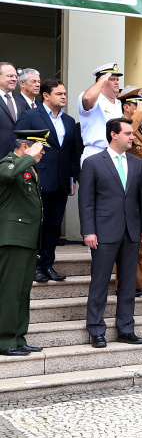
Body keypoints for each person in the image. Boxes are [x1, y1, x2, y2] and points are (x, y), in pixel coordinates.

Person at [79, 118, 142, 348]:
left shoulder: (137, 163)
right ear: (114, 135)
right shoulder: (92, 163)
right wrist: (88, 231)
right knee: (100, 282)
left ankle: (125, 328)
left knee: (129, 283)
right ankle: (96, 329)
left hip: (131, 232)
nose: (133, 137)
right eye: (128, 133)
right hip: (103, 233)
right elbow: (86, 202)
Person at [15, 79, 79, 283]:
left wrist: (72, 178)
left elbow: (72, 152)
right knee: (38, 224)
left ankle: (48, 264)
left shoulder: (69, 121)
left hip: (61, 180)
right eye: (59, 93)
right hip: (38, 178)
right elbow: (19, 146)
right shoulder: (31, 116)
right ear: (46, 96)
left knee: (54, 224)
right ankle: (34, 266)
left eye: (65, 93)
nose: (63, 97)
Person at [0, 130, 47, 356]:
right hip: (12, 239)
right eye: (40, 147)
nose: (43, 152)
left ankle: (19, 337)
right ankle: (5, 340)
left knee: (23, 291)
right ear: (25, 147)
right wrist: (28, 157)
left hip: (28, 239)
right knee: (9, 291)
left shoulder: (29, 169)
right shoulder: (8, 163)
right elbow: (8, 176)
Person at [118, 87, 142, 298]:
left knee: (140, 242)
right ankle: (126, 284)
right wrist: (138, 117)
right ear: (127, 106)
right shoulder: (122, 126)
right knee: (129, 242)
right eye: (137, 105)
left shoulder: (140, 128)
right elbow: (124, 142)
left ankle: (137, 282)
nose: (141, 109)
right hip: (129, 194)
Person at [78, 63, 123, 164]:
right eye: (112, 79)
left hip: (115, 153)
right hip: (96, 152)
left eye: (117, 80)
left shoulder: (118, 103)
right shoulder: (95, 99)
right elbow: (87, 99)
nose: (116, 82)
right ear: (102, 81)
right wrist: (102, 79)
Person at [0, 62, 29, 154]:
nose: (14, 79)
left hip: (19, 161)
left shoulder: (22, 103)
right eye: (10, 76)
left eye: (15, 76)